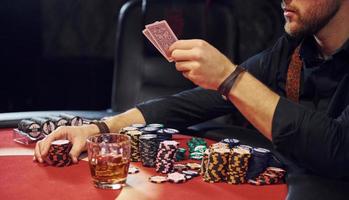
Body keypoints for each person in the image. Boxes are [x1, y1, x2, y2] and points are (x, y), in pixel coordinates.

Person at [34, 0, 349, 179]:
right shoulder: (291, 50)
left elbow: (337, 148)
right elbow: (196, 103)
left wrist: (230, 77)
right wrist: (100, 128)